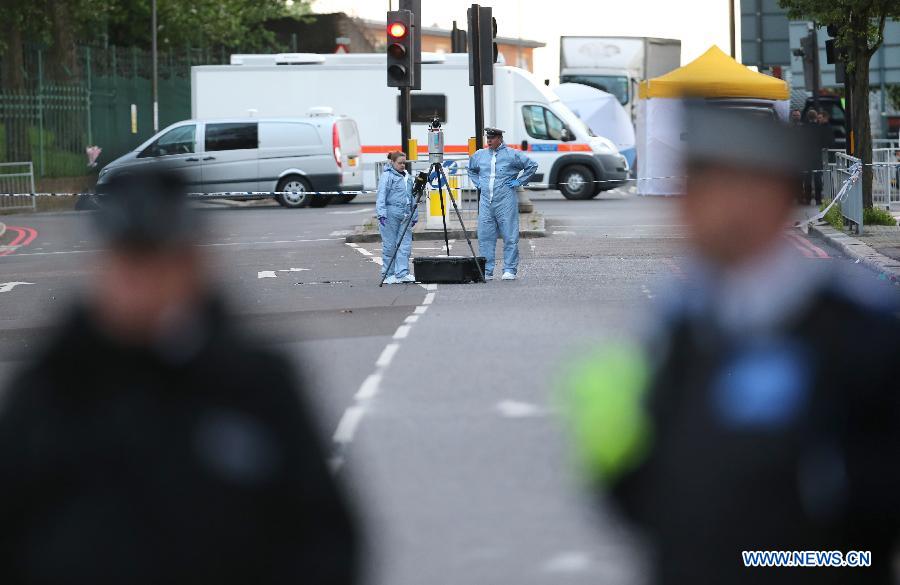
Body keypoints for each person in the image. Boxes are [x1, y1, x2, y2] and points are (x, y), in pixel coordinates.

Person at [563, 106, 900, 585]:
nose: (718, 210)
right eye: (701, 190)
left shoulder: (859, 328)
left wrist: (764, 561)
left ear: (782, 200)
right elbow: (645, 491)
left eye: (742, 189)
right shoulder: (677, 321)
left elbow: (873, 524)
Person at [0, 169, 360, 585]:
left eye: (155, 259)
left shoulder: (253, 385)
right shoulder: (50, 391)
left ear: (192, 262)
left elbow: (324, 538)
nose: (139, 283)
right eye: (125, 260)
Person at [467, 128, 538, 281]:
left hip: (505, 200)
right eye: (488, 138)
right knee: (485, 236)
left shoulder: (512, 154)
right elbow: (471, 169)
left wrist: (520, 181)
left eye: (492, 138)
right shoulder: (480, 155)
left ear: (500, 138)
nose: (489, 140)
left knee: (510, 235)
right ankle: (487, 270)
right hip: (486, 202)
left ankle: (510, 269)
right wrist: (478, 183)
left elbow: (532, 165)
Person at [376, 150, 417, 284]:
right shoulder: (387, 176)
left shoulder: (407, 176)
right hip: (390, 213)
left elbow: (412, 196)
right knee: (390, 245)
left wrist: (414, 214)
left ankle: (402, 273)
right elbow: (381, 196)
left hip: (405, 213)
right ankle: (388, 274)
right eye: (399, 163)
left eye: (404, 163)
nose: (402, 165)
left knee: (405, 245)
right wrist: (381, 214)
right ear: (392, 162)